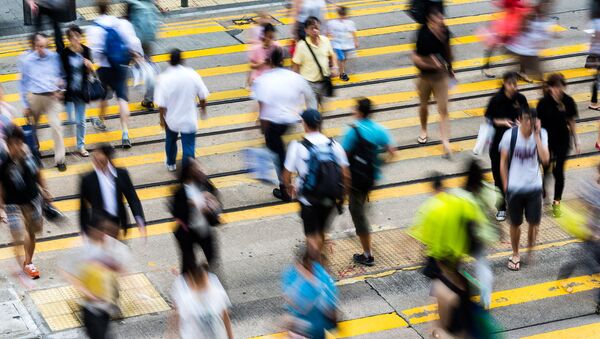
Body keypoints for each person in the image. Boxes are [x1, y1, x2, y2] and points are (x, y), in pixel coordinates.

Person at [252, 47, 317, 201]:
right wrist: (311, 118)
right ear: (284, 61)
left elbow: (262, 106)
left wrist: (260, 127)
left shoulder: (262, 80)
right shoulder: (295, 77)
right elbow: (310, 97)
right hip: (293, 121)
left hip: (273, 124)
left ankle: (286, 190)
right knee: (286, 152)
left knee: (278, 156)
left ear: (269, 61)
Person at [281, 109, 350, 252]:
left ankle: (316, 266)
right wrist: (342, 196)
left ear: (304, 124)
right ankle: (321, 263)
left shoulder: (297, 147)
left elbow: (286, 176)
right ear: (320, 124)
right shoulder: (334, 145)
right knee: (321, 231)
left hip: (308, 199)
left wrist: (289, 187)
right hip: (330, 198)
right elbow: (346, 175)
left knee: (312, 236)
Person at [341, 98, 395, 266]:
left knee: (358, 214)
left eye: (355, 108)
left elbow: (343, 158)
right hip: (371, 178)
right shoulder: (379, 130)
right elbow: (393, 152)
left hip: (355, 180)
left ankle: (367, 255)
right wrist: (379, 164)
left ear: (359, 112)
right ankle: (364, 231)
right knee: (361, 206)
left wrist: (344, 182)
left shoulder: (353, 131)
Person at [63, 216, 131, 339]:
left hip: (106, 304)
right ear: (91, 230)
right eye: (101, 230)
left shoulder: (115, 246)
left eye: (106, 229)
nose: (104, 233)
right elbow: (67, 272)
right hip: (90, 307)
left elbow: (123, 269)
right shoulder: (80, 247)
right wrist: (89, 294)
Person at [87, 0, 143, 148]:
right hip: (121, 66)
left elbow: (94, 52)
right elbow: (133, 42)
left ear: (96, 10)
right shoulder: (120, 23)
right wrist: (135, 56)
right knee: (122, 99)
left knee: (104, 94)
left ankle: (100, 120)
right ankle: (125, 133)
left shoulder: (93, 28)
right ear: (110, 8)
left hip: (104, 68)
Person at [500, 108, 549, 271]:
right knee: (515, 223)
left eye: (532, 120)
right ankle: (515, 253)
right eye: (527, 120)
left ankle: (530, 248)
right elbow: (503, 162)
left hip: (534, 187)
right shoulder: (510, 136)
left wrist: (536, 136)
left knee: (534, 223)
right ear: (520, 119)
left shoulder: (541, 134)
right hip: (515, 188)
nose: (530, 123)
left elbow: (545, 159)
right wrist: (506, 184)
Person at [0, 126, 51, 279]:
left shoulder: (29, 158)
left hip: (32, 199)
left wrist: (46, 191)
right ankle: (27, 264)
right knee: (18, 235)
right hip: (12, 204)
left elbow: (38, 174)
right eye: (11, 144)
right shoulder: (3, 161)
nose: (15, 147)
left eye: (18, 143)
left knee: (32, 232)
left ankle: (27, 261)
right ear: (7, 144)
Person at [154, 49, 209, 172]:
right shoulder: (192, 74)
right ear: (182, 60)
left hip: (171, 119)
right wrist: (203, 111)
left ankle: (171, 163)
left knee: (170, 141)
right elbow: (202, 96)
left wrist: (161, 120)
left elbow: (161, 104)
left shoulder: (164, 78)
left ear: (169, 61)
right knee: (189, 146)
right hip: (189, 118)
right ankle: (187, 171)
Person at [18, 32, 67, 171]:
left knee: (56, 126)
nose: (42, 49)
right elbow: (22, 83)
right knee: (33, 128)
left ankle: (60, 159)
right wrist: (25, 104)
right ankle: (35, 153)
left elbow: (62, 76)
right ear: (34, 46)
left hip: (52, 97)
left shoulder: (54, 57)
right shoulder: (27, 61)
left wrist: (61, 89)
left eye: (44, 46)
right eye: (39, 46)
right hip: (35, 97)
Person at [485, 71, 529, 221]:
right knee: (498, 177)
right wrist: (502, 122)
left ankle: (515, 205)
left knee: (516, 176)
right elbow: (489, 118)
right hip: (498, 144)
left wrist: (521, 123)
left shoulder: (521, 99)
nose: (514, 87)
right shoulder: (496, 100)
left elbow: (527, 116)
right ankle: (501, 207)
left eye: (515, 84)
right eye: (511, 84)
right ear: (504, 83)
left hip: (517, 143)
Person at [557, 162, 600, 314]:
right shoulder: (593, 189)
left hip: (592, 235)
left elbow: (582, 201)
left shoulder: (591, 187)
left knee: (583, 258)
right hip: (593, 236)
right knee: (590, 262)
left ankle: (564, 273)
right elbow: (585, 204)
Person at [411, 6, 453, 157]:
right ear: (430, 20)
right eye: (438, 18)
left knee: (443, 109)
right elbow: (416, 58)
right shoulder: (423, 34)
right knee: (424, 106)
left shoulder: (445, 31)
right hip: (424, 76)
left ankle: (445, 142)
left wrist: (450, 68)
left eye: (442, 17)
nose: (442, 20)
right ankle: (423, 130)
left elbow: (448, 49)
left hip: (440, 76)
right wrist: (431, 64)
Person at [79, 144, 146, 238]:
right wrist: (84, 230)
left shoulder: (121, 174)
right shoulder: (87, 179)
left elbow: (132, 197)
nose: (96, 163)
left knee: (118, 250)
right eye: (95, 160)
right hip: (98, 226)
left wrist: (139, 219)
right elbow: (83, 208)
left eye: (100, 161)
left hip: (117, 224)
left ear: (108, 159)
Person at [537, 73, 579, 217]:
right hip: (547, 140)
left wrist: (576, 139)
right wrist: (540, 144)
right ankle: (544, 193)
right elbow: (538, 125)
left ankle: (557, 202)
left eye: (560, 87)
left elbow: (571, 121)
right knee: (546, 169)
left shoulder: (568, 101)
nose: (558, 90)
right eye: (555, 87)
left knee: (559, 171)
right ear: (549, 88)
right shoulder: (543, 103)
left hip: (562, 140)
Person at [171, 159, 222, 274]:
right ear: (189, 171)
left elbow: (217, 203)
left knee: (212, 262)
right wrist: (193, 203)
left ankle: (213, 286)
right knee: (188, 265)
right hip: (187, 233)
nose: (200, 169)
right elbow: (176, 212)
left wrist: (212, 207)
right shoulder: (179, 192)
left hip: (205, 231)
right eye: (196, 167)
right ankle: (187, 287)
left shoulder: (205, 184)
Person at [282, 245, 338, 339]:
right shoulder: (324, 282)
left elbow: (289, 300)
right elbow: (330, 312)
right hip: (312, 328)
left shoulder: (291, 275)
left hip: (303, 328)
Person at [170, 263, 234, 339]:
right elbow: (176, 321)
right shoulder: (187, 300)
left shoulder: (217, 294)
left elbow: (226, 317)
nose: (206, 286)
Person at [60, 25, 95, 157]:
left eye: (77, 36)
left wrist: (89, 66)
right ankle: (72, 141)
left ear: (81, 36)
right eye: (72, 36)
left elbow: (92, 73)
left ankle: (81, 146)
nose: (75, 39)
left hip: (82, 91)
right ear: (68, 39)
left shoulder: (86, 51)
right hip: (68, 92)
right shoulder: (64, 53)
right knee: (71, 120)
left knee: (80, 121)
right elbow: (61, 72)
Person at [292, 16, 339, 106]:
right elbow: (296, 64)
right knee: (312, 108)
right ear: (306, 30)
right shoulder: (301, 45)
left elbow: (332, 54)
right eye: (312, 28)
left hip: (324, 80)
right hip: (309, 83)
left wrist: (335, 67)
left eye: (316, 28)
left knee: (322, 106)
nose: (315, 30)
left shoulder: (325, 40)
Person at [126, 0, 162, 109]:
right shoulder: (150, 2)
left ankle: (113, 91)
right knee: (149, 67)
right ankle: (149, 100)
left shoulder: (132, 2)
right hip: (148, 39)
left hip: (135, 41)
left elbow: (127, 21)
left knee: (122, 66)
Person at [505, 2, 554, 83]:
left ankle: (522, 73)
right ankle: (523, 74)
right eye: (546, 4)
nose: (547, 7)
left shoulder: (538, 14)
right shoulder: (530, 14)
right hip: (524, 46)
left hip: (528, 47)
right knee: (537, 71)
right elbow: (521, 27)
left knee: (526, 60)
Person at [327, 6, 358, 81]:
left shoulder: (349, 23)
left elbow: (353, 32)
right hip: (337, 44)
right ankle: (341, 73)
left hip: (347, 44)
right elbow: (327, 32)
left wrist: (355, 41)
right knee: (341, 58)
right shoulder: (332, 23)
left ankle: (338, 69)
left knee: (344, 59)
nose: (343, 16)